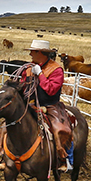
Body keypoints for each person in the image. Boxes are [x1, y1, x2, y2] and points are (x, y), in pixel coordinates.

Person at [20, 39, 73, 172]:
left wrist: (40, 74)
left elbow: (51, 90)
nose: (30, 54)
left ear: (40, 52)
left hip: (50, 105)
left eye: (32, 51)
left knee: (61, 129)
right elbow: (21, 84)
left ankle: (65, 159)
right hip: (30, 104)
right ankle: (6, 155)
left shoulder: (56, 69)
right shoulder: (28, 67)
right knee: (8, 123)